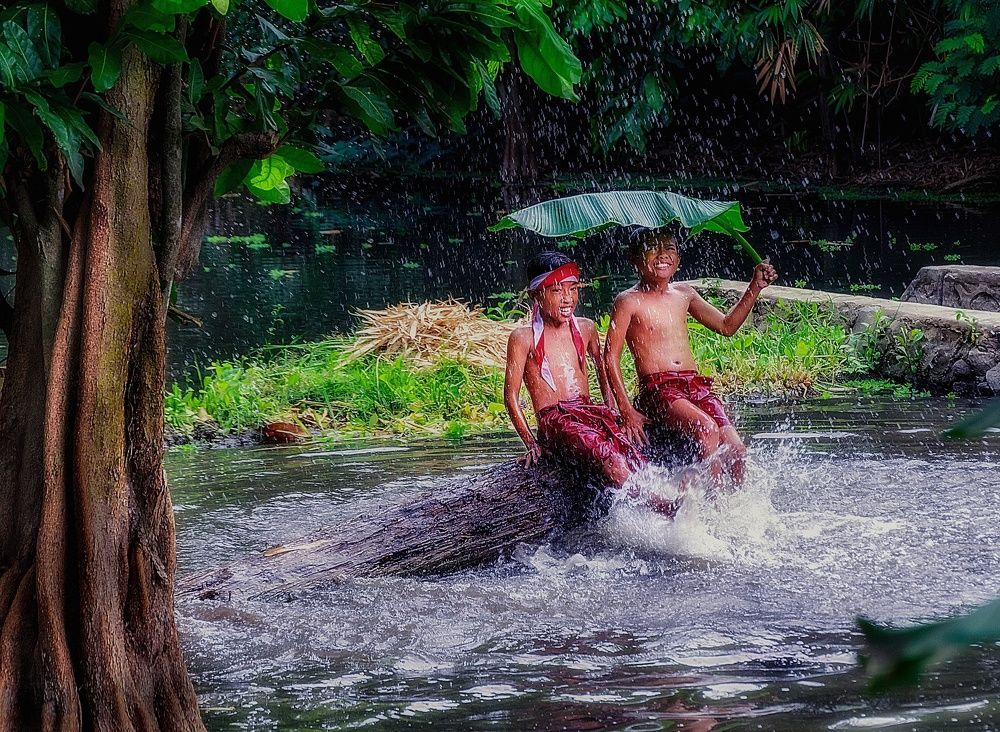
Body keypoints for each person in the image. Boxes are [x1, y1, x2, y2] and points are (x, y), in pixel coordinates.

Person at [603, 228, 778, 486]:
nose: (662, 254)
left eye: (669, 248)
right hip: (659, 389)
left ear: (679, 260)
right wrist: (626, 410)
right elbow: (610, 357)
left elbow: (727, 326)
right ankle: (712, 506)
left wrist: (755, 286)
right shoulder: (628, 301)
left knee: (737, 449)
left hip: (694, 385)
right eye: (652, 248)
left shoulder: (684, 293)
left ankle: (738, 507)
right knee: (707, 430)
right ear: (635, 259)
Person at [503, 251, 645, 488]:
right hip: (555, 419)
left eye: (573, 289)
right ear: (536, 294)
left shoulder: (586, 328)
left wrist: (612, 411)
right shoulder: (522, 338)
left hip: (589, 411)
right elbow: (510, 397)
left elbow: (603, 373)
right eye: (557, 290)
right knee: (609, 458)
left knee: (633, 452)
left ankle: (651, 500)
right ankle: (658, 504)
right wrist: (531, 443)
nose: (568, 298)